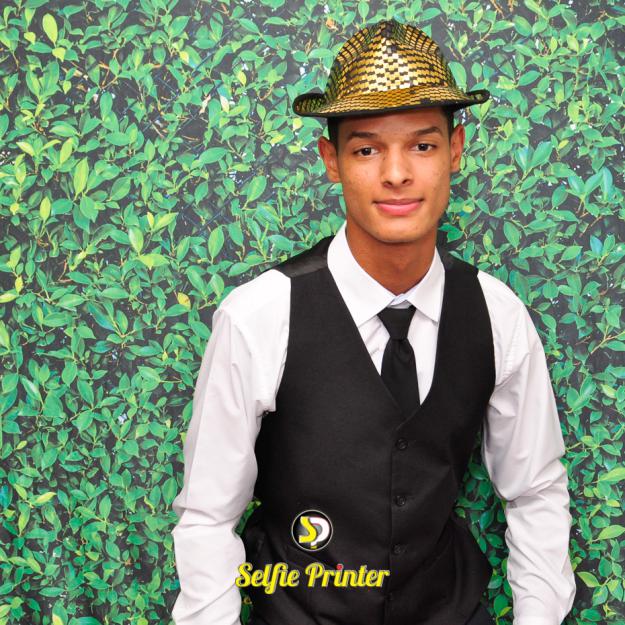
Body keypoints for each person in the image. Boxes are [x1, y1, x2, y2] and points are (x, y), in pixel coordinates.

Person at [171, 19, 576, 625]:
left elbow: (536, 491)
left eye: (422, 145)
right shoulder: (259, 316)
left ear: (455, 150)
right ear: (331, 160)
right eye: (366, 149)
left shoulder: (497, 314)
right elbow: (207, 518)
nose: (396, 173)